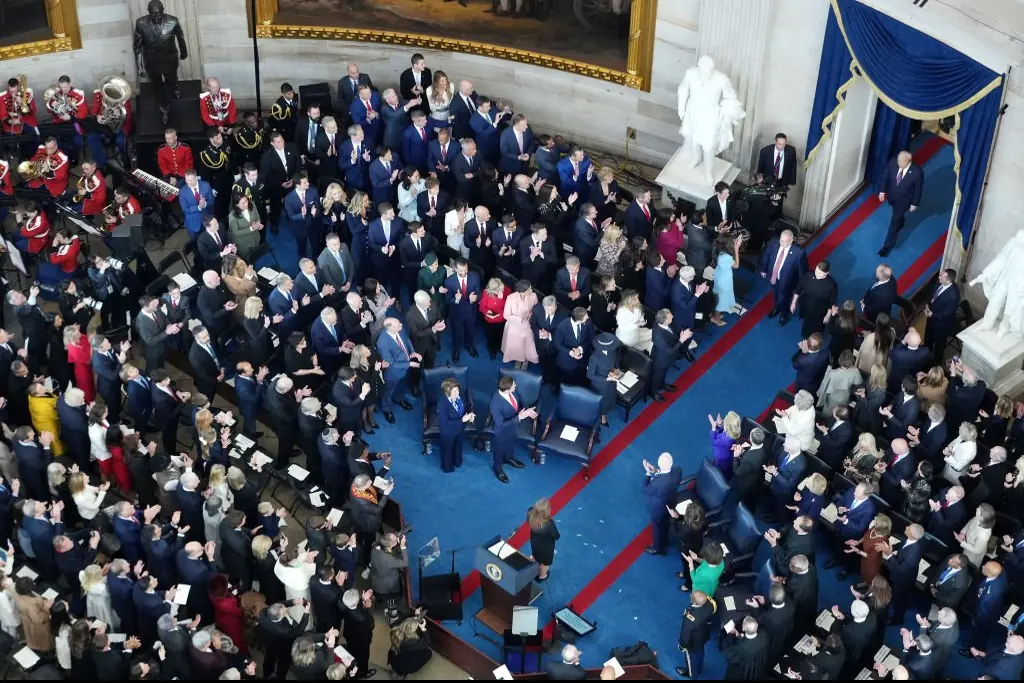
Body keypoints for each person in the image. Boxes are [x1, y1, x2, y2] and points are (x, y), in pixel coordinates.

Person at [489, 375, 535, 484]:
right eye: (514, 385)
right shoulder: (495, 403)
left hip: (513, 428)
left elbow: (520, 401)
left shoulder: (513, 391)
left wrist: (528, 410)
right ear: (507, 389)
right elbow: (500, 424)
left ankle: (508, 458)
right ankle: (498, 468)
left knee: (510, 444)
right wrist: (519, 417)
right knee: (499, 450)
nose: (516, 386)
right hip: (501, 432)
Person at [877, 150, 923, 257]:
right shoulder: (893, 162)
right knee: (898, 218)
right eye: (898, 159)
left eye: (900, 161)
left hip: (904, 201)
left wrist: (915, 203)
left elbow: (918, 189)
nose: (897, 162)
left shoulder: (917, 172)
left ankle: (887, 246)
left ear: (908, 162)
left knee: (894, 222)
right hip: (892, 196)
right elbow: (886, 175)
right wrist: (882, 191)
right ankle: (901, 221)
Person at [759, 229, 808, 325]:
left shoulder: (799, 253)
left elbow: (802, 272)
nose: (781, 243)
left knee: (785, 298)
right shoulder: (774, 242)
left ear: (791, 240)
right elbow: (767, 255)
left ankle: (784, 314)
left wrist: (799, 288)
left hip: (787, 282)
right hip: (773, 277)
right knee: (776, 294)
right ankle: (777, 308)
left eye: (784, 242)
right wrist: (763, 269)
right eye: (781, 240)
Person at [643, 453, 682, 555]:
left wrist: (648, 473)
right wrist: (656, 471)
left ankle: (658, 549)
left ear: (660, 464)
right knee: (665, 523)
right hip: (671, 503)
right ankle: (664, 538)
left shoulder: (658, 483)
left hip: (659, 508)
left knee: (657, 527)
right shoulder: (678, 471)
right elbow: (665, 475)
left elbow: (645, 488)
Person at [444, 259, 481, 362]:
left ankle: (469, 346)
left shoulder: (475, 276)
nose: (464, 273)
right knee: (456, 332)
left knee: (470, 330)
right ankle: (456, 350)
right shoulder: (449, 281)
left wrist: (476, 298)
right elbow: (447, 300)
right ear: (455, 269)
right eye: (461, 270)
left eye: (465, 270)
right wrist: (456, 299)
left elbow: (479, 293)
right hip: (456, 312)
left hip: (471, 311)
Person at [791, 259, 838, 338]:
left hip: (820, 310)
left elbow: (832, 301)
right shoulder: (807, 275)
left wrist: (828, 315)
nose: (817, 274)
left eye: (820, 274)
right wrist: (793, 302)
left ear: (827, 273)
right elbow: (798, 289)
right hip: (806, 306)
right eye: (816, 271)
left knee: (817, 327)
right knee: (806, 323)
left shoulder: (832, 285)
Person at [437, 378, 473, 473]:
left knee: (458, 445)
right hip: (448, 431)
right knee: (447, 450)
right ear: (447, 392)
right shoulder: (442, 404)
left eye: (457, 390)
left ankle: (457, 461)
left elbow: (467, 405)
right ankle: (447, 467)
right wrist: (462, 420)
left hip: (459, 428)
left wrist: (470, 414)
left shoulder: (460, 396)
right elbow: (445, 424)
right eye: (454, 391)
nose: (457, 393)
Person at [924, 268, 960, 358]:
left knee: (939, 344)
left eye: (941, 276)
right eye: (940, 274)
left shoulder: (953, 295)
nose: (939, 277)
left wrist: (932, 315)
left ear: (948, 280)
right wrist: (928, 305)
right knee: (928, 336)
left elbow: (947, 313)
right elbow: (932, 295)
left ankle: (936, 362)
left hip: (941, 324)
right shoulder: (940, 282)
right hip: (931, 317)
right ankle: (926, 351)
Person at [502, 281, 539, 367]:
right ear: (522, 291)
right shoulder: (510, 298)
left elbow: (536, 309)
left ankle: (526, 360)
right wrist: (519, 319)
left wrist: (531, 316)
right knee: (516, 344)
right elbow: (506, 315)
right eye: (529, 289)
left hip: (527, 323)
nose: (531, 290)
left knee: (528, 343)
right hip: (514, 324)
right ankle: (518, 360)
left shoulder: (533, 296)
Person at [720, 616, 770, 680]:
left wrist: (730, 635)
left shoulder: (740, 648)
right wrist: (740, 635)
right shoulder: (764, 635)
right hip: (758, 668)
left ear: (743, 628)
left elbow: (728, 654)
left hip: (744, 672)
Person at [388, 613, 432, 677]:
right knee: (429, 653)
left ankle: (397, 671)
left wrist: (416, 615)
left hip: (394, 662)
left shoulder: (397, 634)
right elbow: (427, 642)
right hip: (409, 666)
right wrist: (423, 628)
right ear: (413, 630)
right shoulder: (416, 643)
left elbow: (409, 621)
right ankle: (403, 672)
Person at [712, 233, 742, 324]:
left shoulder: (718, 249)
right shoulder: (726, 257)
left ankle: (715, 315)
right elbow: (736, 266)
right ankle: (716, 319)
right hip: (724, 281)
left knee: (718, 297)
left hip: (719, 275)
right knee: (720, 302)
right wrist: (736, 249)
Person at [479, 277, 510, 359]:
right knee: (491, 336)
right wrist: (486, 312)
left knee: (501, 334)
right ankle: (492, 349)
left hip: (501, 319)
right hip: (489, 320)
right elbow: (482, 307)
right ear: (493, 290)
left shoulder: (507, 291)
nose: (502, 290)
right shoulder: (486, 293)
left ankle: (500, 347)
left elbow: (509, 308)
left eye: (502, 288)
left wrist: (501, 299)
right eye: (500, 289)